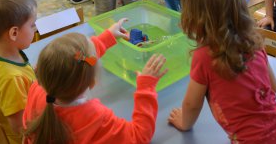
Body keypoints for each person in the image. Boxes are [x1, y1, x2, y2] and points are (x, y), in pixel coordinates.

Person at [167, 0, 276, 143]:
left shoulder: (204, 56)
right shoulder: (254, 41)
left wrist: (184, 123)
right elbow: (273, 86)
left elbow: (192, 104)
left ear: (194, 19)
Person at [22, 30, 168, 143]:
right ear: (92, 83)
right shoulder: (95, 117)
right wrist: (146, 88)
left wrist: (108, 36)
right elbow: (139, 136)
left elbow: (78, 60)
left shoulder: (37, 88)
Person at [0, 0, 38, 144]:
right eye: (32, 25)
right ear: (14, 33)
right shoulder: (12, 80)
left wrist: (34, 73)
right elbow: (21, 128)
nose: (35, 29)